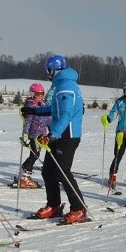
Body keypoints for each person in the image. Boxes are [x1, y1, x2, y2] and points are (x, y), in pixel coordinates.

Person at [21, 55, 87, 224]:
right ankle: (54, 206)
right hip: (58, 134)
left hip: (67, 135)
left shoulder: (66, 86)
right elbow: (55, 108)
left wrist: (52, 134)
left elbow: (66, 115)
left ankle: (79, 208)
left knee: (62, 172)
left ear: (54, 70)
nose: (47, 73)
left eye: (48, 70)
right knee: (48, 171)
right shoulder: (62, 84)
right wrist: (35, 112)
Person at [100, 81, 126, 190]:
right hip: (121, 132)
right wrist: (107, 119)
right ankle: (112, 175)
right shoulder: (120, 102)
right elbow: (113, 114)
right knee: (118, 155)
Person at [17, 83, 50, 188]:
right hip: (33, 135)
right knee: (34, 155)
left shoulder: (44, 105)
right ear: (32, 94)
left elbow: (48, 120)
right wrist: (25, 135)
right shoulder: (31, 106)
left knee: (36, 155)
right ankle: (24, 177)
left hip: (41, 136)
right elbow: (28, 121)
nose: (40, 96)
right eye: (37, 94)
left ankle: (25, 172)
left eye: (42, 93)